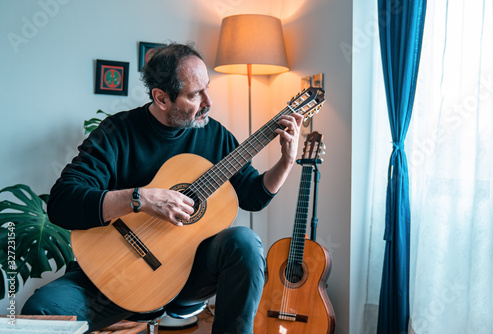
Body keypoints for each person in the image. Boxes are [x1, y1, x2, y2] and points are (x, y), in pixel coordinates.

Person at [21, 42, 303, 333]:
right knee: (41, 311)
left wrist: (286, 161)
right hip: (112, 277)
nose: (208, 101)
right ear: (161, 98)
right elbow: (62, 202)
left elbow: (253, 196)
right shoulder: (117, 133)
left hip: (188, 273)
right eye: (195, 94)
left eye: (207, 88)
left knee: (245, 242)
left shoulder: (215, 135)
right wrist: (139, 198)